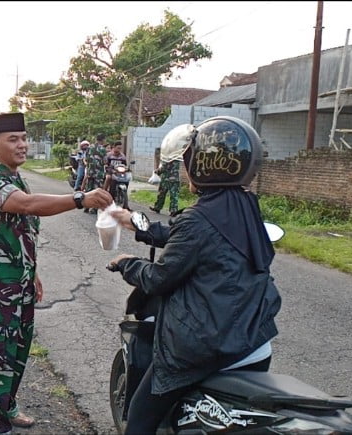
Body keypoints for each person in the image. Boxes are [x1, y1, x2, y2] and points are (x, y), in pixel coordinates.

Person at [107, 116, 282, 434]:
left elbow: (160, 277)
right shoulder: (244, 206)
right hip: (253, 340)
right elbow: (186, 236)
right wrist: (136, 223)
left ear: (205, 165)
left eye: (187, 161)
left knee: (140, 417)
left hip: (207, 345)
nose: (185, 169)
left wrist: (126, 264)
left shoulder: (199, 218)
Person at [0, 112, 112, 434]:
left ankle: (8, 408)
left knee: (18, 352)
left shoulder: (15, 177)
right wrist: (80, 198)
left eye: (23, 138)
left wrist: (32, 274)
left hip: (19, 286)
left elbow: (20, 232)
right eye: (13, 139)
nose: (22, 145)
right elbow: (28, 205)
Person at [150, 124, 194, 217]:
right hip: (174, 179)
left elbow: (165, 168)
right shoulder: (177, 158)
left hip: (168, 179)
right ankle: (172, 210)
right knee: (173, 195)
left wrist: (157, 171)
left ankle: (159, 207)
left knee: (163, 194)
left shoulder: (171, 158)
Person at [81, 133, 108, 213]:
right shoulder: (103, 149)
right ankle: (94, 208)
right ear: (103, 139)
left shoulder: (90, 148)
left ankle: (86, 206)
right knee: (97, 190)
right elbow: (105, 161)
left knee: (89, 189)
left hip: (90, 172)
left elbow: (86, 159)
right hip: (98, 173)